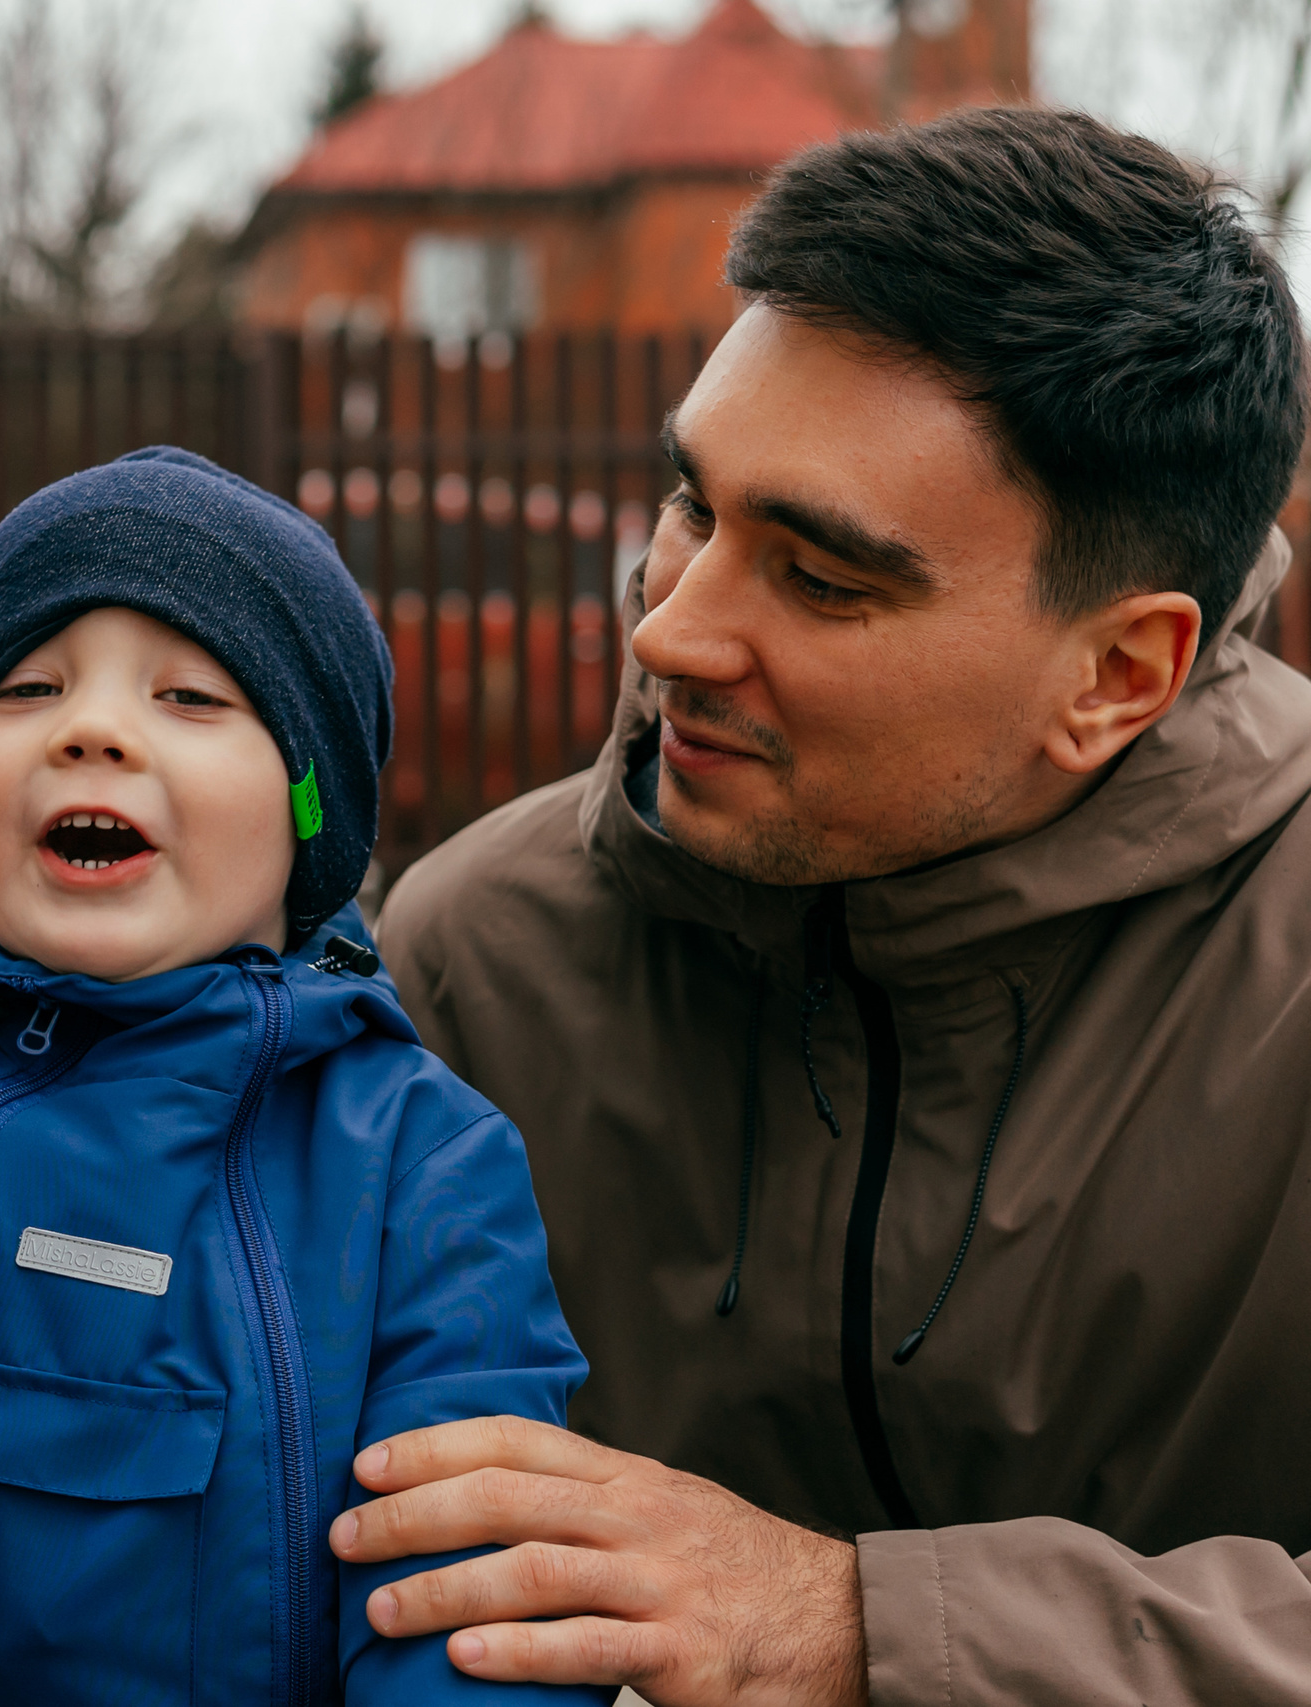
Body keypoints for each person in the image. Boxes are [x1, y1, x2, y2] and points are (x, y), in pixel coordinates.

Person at [347, 107, 1311, 1706]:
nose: (671, 632)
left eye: (823, 578)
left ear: (1118, 672)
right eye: (692, 506)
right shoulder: (468, 954)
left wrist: (863, 1623)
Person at [0, 448, 599, 1705]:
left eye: (189, 698)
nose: (90, 728)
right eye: (25, 687)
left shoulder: (422, 1159)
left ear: (310, 813)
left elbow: (474, 1587)